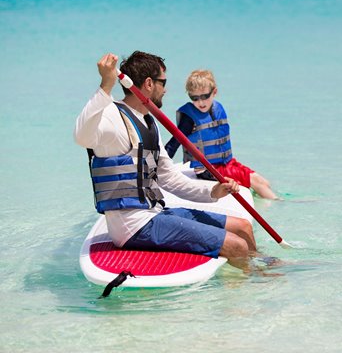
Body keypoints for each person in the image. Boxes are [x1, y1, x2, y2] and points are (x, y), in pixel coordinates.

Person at [74, 51, 257, 270]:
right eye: (164, 82)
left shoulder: (148, 122)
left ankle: (262, 267)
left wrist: (213, 192)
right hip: (134, 227)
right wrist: (106, 85)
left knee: (243, 228)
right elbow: (81, 135)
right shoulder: (113, 117)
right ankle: (250, 290)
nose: (166, 89)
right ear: (149, 84)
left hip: (155, 214)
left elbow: (170, 179)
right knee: (237, 246)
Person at [165, 69, 279, 200]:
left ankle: (272, 203)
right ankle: (281, 204)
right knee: (257, 183)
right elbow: (173, 144)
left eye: (205, 96)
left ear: (214, 92)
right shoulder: (189, 118)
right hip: (207, 170)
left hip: (226, 163)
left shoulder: (217, 108)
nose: (200, 102)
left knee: (264, 182)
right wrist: (159, 168)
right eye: (194, 98)